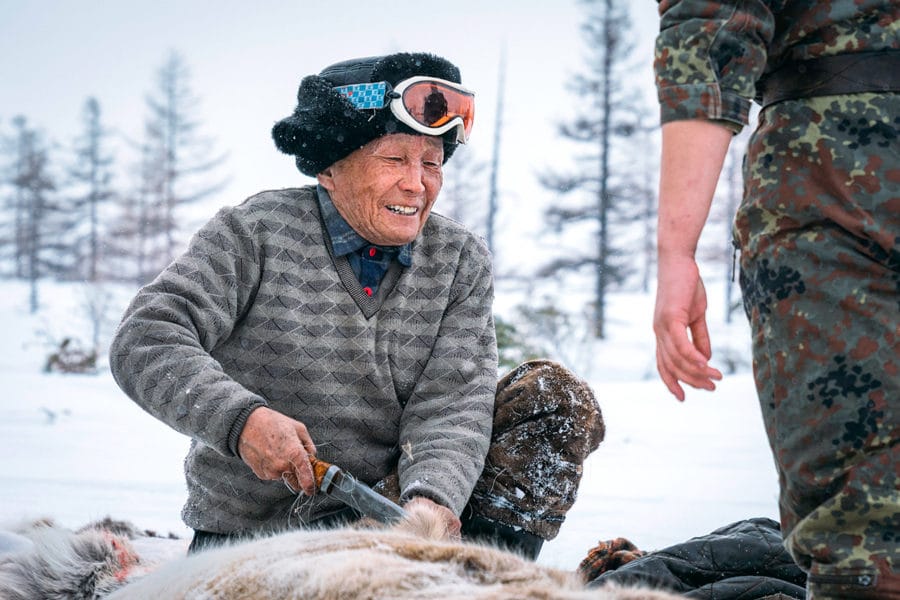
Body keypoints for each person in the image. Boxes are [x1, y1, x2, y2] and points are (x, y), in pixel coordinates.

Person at [109, 52, 603, 560]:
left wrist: (432, 500)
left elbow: (452, 402)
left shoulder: (458, 259)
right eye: (394, 160)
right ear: (330, 167)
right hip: (258, 539)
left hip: (388, 518)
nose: (417, 183)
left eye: (431, 163)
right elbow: (146, 337)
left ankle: (476, 582)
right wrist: (241, 422)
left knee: (553, 400)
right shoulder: (253, 233)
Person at [651, 2, 898, 598]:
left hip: (835, 178)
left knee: (864, 537)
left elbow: (710, 29)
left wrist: (677, 252)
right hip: (838, 182)